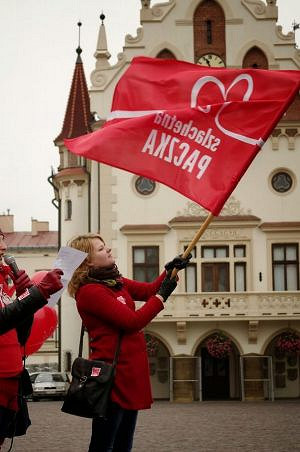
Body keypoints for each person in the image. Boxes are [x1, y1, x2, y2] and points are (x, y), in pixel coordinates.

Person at [68, 233, 190, 452]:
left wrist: (171, 269)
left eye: (105, 246)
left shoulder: (115, 282)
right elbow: (132, 322)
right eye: (101, 249)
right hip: (112, 379)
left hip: (129, 373)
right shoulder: (90, 292)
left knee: (124, 444)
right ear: (87, 260)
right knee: (104, 445)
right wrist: (161, 298)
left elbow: (148, 290)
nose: (108, 250)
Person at [0, 229, 64, 450]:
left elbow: (20, 334)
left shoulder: (2, 285)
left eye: (3, 241)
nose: (4, 248)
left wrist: (23, 295)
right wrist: (40, 291)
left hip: (10, 381)